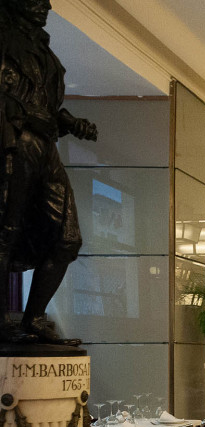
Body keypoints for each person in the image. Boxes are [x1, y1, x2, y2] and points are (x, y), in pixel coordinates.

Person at [0, 0, 97, 344]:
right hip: (15, 139)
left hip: (44, 144)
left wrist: (68, 122)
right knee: (5, 232)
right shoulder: (5, 38)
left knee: (68, 238)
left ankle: (34, 317)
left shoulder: (42, 49)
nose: (47, 5)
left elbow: (44, 104)